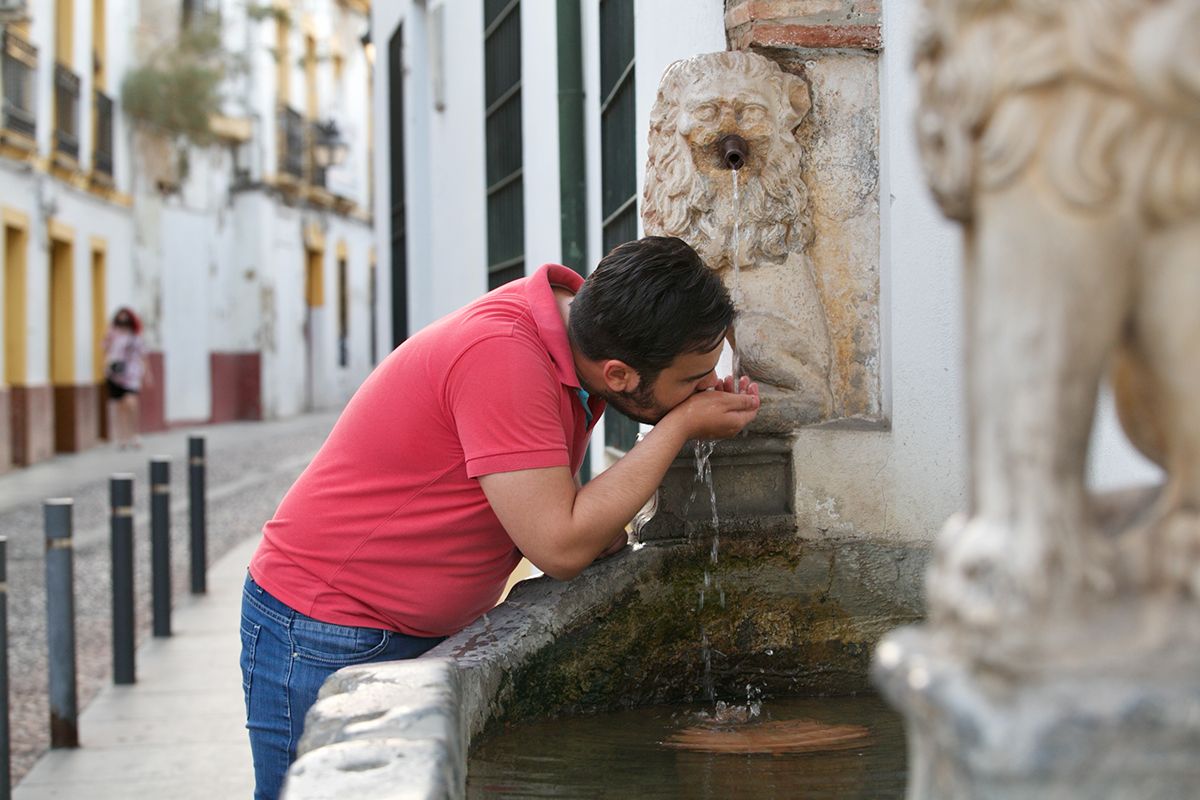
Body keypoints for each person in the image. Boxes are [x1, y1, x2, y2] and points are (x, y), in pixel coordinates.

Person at [240, 236, 760, 799]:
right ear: (618, 375)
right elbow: (559, 547)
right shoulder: (504, 356)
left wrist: (603, 516)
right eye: (692, 380)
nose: (706, 388)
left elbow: (560, 516)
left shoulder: (573, 338)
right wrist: (678, 428)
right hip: (327, 627)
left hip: (404, 626)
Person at [102, 307, 149, 450]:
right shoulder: (112, 334)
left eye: (126, 320)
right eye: (120, 319)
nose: (123, 322)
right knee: (120, 406)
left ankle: (134, 434)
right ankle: (122, 437)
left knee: (131, 403)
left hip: (132, 374)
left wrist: (147, 373)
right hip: (115, 373)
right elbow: (105, 350)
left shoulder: (135, 336)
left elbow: (143, 355)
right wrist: (105, 366)